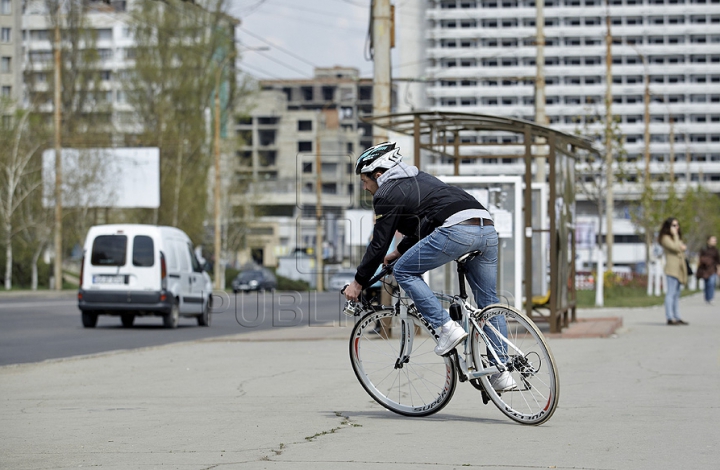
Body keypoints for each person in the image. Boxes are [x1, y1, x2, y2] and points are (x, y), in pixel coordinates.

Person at [343, 142, 515, 391]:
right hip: (486, 227)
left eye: (364, 180)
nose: (364, 186)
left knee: (404, 271)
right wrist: (398, 252)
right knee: (488, 301)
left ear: (378, 175)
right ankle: (502, 371)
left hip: (457, 229)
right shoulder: (421, 179)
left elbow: (377, 244)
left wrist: (358, 283)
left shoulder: (386, 193)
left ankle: (446, 328)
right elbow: (424, 225)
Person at [658, 218, 689, 325]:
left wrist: (678, 241)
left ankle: (677, 316)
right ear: (668, 227)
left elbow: (682, 247)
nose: (676, 227)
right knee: (671, 293)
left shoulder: (676, 237)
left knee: (677, 294)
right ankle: (670, 317)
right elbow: (676, 247)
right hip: (672, 269)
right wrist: (675, 236)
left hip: (680, 269)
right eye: (674, 225)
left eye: (677, 225)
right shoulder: (665, 238)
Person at [696, 235, 720, 305]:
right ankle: (707, 298)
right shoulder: (703, 249)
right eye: (713, 240)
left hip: (713, 269)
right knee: (706, 283)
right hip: (705, 269)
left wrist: (718, 269)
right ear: (708, 241)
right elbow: (699, 258)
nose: (714, 242)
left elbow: (718, 261)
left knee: (712, 283)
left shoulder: (716, 250)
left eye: (715, 240)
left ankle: (711, 298)